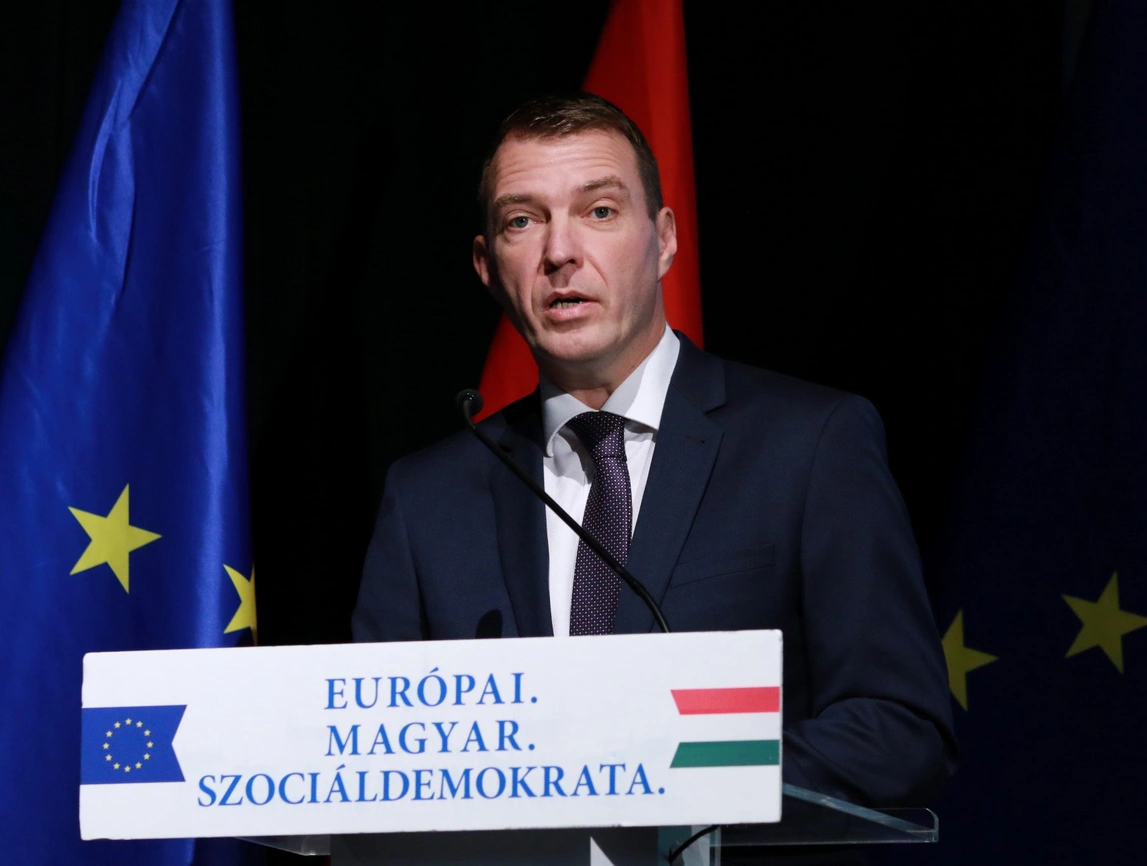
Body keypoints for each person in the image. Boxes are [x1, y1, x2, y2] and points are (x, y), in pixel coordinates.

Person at [353, 94, 955, 808]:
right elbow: (376, 764)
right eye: (522, 221)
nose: (559, 252)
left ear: (664, 239)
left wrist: (660, 777)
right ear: (486, 265)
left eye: (600, 211)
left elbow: (900, 729)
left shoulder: (810, 445)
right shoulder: (427, 501)